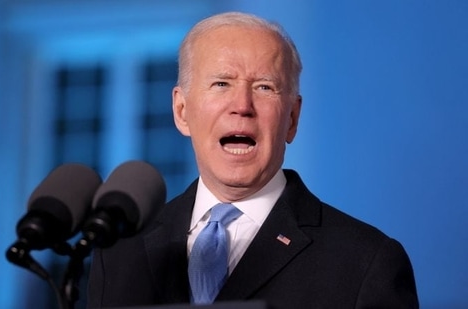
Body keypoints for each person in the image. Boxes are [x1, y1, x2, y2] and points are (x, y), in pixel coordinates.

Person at [86, 11, 418, 308]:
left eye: (263, 87)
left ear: (292, 118)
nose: (242, 105)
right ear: (181, 110)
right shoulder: (119, 254)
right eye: (221, 83)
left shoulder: (366, 262)